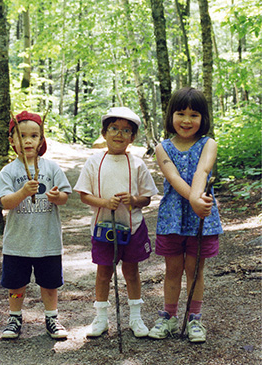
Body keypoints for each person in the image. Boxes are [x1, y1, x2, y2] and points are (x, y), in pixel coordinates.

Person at [74, 107, 158, 338]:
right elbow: (83, 194)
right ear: (104, 133)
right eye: (114, 128)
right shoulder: (94, 161)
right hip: (103, 227)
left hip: (133, 227)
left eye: (126, 130)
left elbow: (147, 198)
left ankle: (136, 318)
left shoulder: (137, 164)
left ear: (132, 137)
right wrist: (103, 202)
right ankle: (100, 318)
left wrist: (133, 200)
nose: (119, 134)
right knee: (104, 272)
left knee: (131, 272)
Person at [149, 87, 223, 343]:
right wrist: (193, 199)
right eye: (181, 113)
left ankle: (194, 319)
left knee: (195, 269)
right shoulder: (162, 147)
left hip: (200, 215)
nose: (187, 120)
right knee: (173, 269)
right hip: (173, 216)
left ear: (203, 118)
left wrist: (196, 201)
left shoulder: (208, 143)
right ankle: (168, 316)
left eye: (194, 114)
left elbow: (202, 172)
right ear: (171, 116)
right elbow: (173, 177)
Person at [0, 110, 72, 340]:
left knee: (49, 283)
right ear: (12, 141)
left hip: (47, 241)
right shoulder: (8, 171)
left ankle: (52, 317)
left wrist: (56, 197)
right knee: (16, 285)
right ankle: (14, 317)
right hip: (18, 242)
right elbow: (5, 202)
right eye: (21, 136)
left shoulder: (51, 168)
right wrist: (22, 192)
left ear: (41, 139)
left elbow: (65, 196)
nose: (28, 140)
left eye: (34, 136)